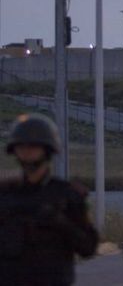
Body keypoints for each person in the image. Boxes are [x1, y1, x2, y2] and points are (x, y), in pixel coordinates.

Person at [0, 113, 98, 286]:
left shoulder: (66, 195)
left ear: (47, 149)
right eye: (21, 146)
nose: (26, 150)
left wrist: (61, 223)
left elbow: (88, 247)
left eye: (33, 145)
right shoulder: (6, 194)